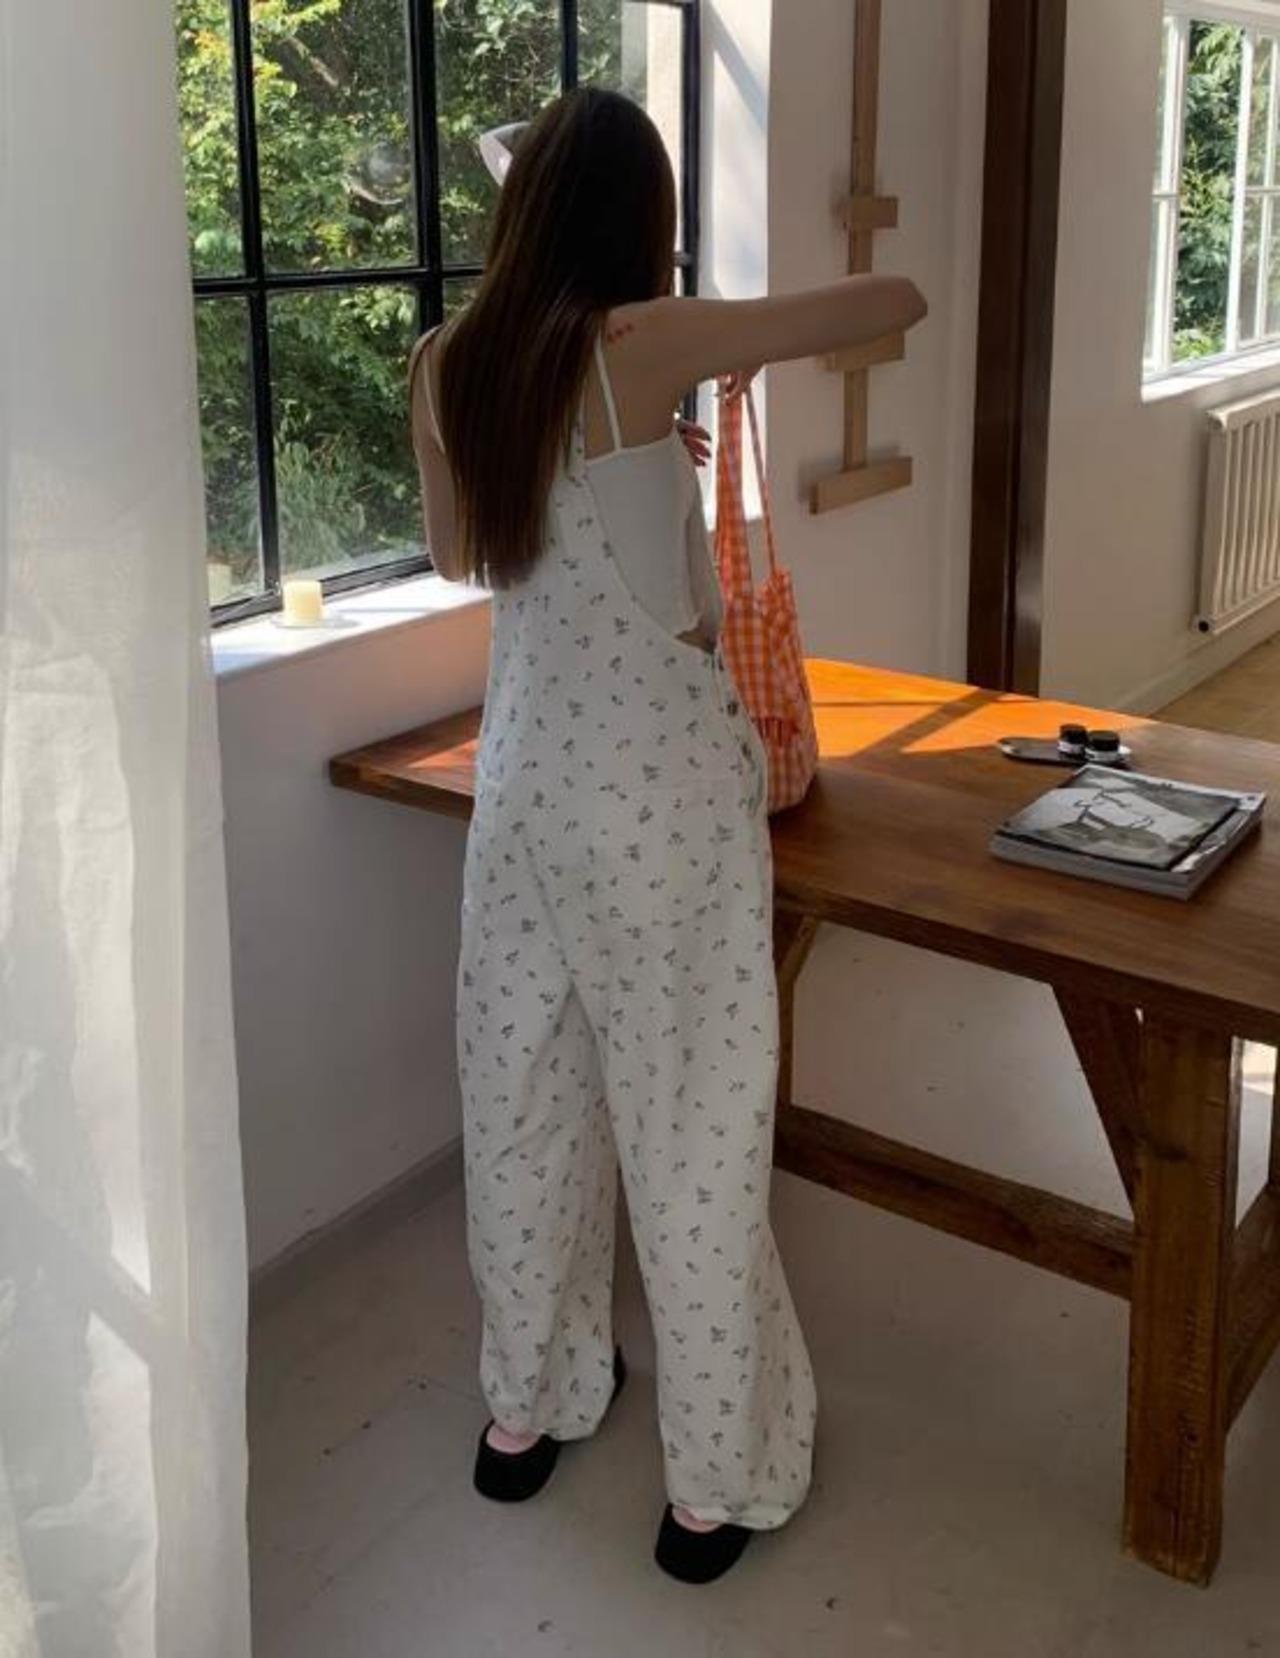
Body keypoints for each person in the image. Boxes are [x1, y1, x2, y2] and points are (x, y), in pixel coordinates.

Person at [409, 87, 926, 1586]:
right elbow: (893, 298)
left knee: (523, 1108)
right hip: (662, 810)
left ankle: (527, 1410)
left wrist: (638, 465)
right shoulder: (642, 343)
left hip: (522, 800)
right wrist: (691, 354)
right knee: (693, 1130)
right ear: (641, 220)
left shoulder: (448, 360)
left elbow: (461, 554)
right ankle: (713, 1488)